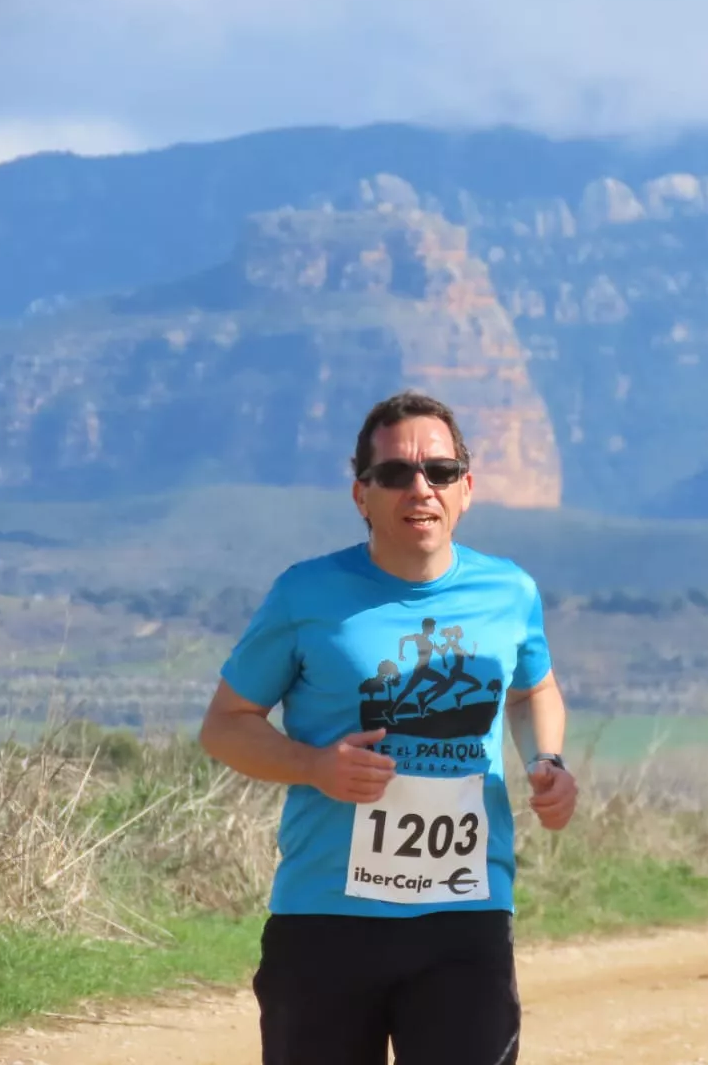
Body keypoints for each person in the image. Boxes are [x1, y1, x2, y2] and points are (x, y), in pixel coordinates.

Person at [199, 390, 578, 1065]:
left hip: (466, 916)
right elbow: (225, 726)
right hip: (325, 917)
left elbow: (533, 689)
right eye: (396, 474)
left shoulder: (509, 591)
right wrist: (315, 766)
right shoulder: (306, 594)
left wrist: (548, 761)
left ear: (467, 487)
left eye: (438, 471)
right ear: (361, 494)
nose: (420, 488)